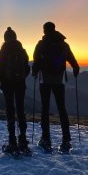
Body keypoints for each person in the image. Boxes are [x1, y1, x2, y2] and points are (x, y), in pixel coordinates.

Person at [32, 22, 79, 152]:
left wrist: (34, 72)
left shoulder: (41, 44)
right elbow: (72, 60)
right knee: (61, 108)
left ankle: (46, 140)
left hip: (45, 80)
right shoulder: (63, 44)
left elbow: (36, 60)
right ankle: (66, 140)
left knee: (45, 109)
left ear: (45, 31)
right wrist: (75, 69)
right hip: (59, 80)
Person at [0, 27, 31, 153]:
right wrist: (20, 77)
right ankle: (23, 140)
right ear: (15, 37)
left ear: (5, 38)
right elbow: (27, 69)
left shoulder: (2, 51)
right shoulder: (22, 51)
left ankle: (12, 141)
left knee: (10, 110)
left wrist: (1, 80)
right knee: (20, 110)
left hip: (7, 85)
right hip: (20, 84)